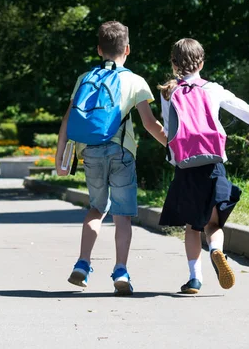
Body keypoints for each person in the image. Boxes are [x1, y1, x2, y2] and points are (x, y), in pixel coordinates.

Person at [158, 38, 249, 294]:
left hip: (185, 168)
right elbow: (246, 111)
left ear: (173, 63)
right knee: (213, 225)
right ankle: (216, 250)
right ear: (202, 61)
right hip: (213, 165)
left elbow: (170, 132)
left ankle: (194, 278)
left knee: (192, 227)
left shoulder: (168, 92)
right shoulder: (212, 89)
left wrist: (174, 156)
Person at [55, 21, 167, 295]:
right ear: (127, 49)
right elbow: (150, 124)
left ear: (98, 50)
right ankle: (121, 270)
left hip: (89, 151)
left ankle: (82, 264)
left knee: (96, 208)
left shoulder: (85, 78)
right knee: (123, 216)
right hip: (121, 153)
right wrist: (173, 145)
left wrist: (60, 157)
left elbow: (68, 119)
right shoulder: (134, 81)